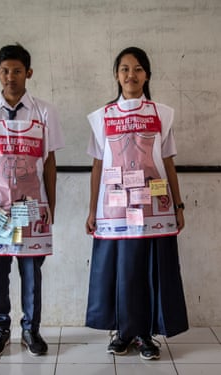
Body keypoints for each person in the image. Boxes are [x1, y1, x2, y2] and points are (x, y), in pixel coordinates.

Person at [85, 46, 188, 360]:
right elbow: (98, 166)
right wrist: (92, 210)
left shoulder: (161, 113)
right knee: (120, 271)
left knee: (148, 270)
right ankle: (122, 333)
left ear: (147, 75)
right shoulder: (103, 116)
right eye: (125, 69)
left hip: (153, 206)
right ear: (117, 75)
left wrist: (179, 205)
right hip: (115, 209)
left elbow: (168, 162)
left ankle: (145, 335)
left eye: (138, 68)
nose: (132, 75)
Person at [0, 43, 64, 356]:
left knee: (31, 268)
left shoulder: (44, 112)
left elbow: (49, 162)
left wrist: (51, 203)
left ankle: (31, 330)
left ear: (29, 73)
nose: (11, 76)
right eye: (5, 71)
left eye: (17, 70)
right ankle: (0, 328)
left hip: (29, 205)